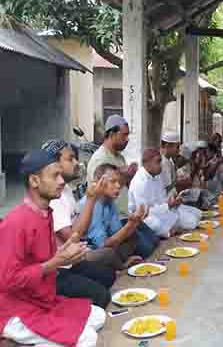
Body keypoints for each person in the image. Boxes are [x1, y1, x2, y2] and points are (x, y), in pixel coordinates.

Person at [0, 150, 105, 347]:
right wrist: (56, 262)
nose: (62, 181)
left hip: (42, 301)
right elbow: (7, 281)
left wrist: (63, 255)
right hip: (15, 309)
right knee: (87, 338)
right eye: (54, 175)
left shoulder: (45, 213)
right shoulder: (16, 222)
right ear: (34, 181)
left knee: (98, 316)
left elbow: (42, 261)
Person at [42, 140, 115, 309]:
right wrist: (91, 199)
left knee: (108, 276)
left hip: (72, 260)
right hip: (58, 269)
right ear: (54, 163)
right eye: (70, 159)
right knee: (101, 296)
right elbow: (72, 237)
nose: (76, 163)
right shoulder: (53, 196)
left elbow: (79, 230)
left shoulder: (65, 189)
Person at [83, 163, 149, 270]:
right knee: (107, 253)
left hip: (106, 247)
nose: (118, 186)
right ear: (98, 182)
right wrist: (130, 224)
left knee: (133, 235)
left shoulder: (109, 201)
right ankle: (121, 266)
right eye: (113, 182)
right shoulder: (92, 204)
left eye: (119, 182)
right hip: (90, 251)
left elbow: (117, 234)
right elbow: (103, 245)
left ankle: (116, 262)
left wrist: (135, 223)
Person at [129, 148, 203, 238]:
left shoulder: (157, 176)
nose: (161, 165)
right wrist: (168, 206)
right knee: (156, 223)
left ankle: (171, 228)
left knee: (197, 215)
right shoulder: (140, 181)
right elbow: (144, 213)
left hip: (161, 211)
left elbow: (162, 199)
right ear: (147, 163)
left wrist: (173, 201)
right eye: (158, 162)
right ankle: (168, 232)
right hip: (145, 217)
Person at [86, 114, 138, 218]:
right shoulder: (100, 159)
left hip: (125, 215)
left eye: (128, 135)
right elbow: (102, 192)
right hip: (109, 218)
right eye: (124, 135)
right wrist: (124, 176)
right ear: (111, 134)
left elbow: (125, 187)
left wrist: (130, 176)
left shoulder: (120, 158)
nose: (127, 139)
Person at [160, 132, 181, 196]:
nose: (179, 150)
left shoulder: (169, 160)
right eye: (177, 147)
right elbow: (166, 188)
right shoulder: (163, 163)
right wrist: (179, 182)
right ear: (168, 146)